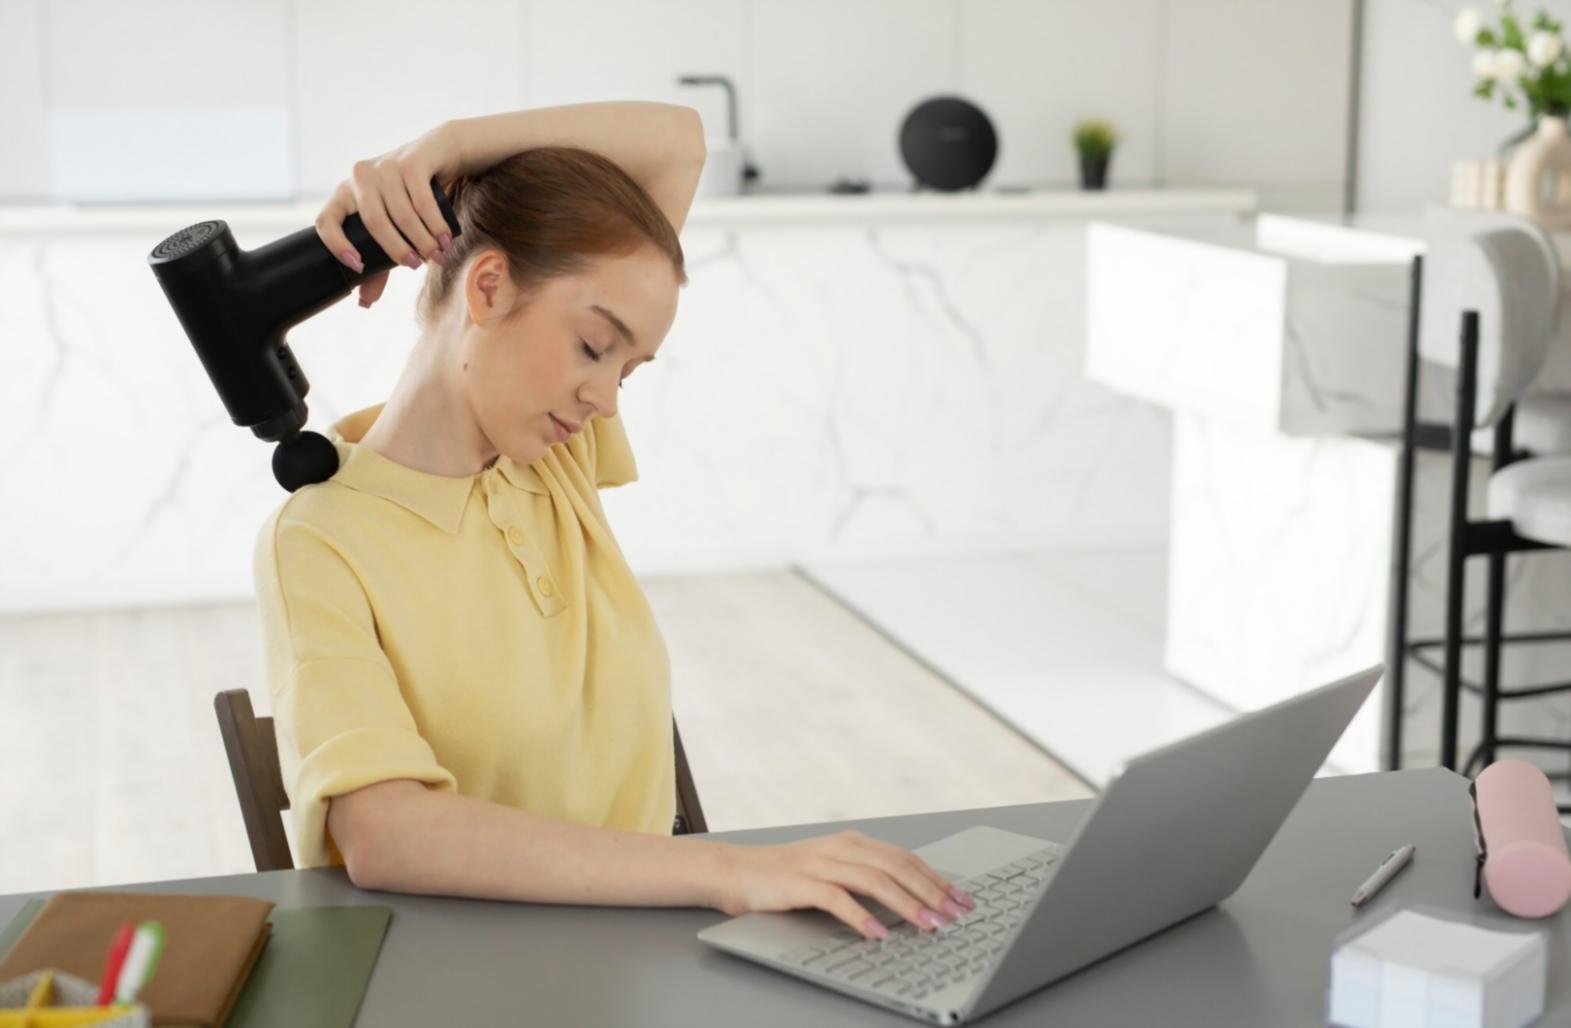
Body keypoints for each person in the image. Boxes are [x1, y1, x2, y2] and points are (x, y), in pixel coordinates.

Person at [253, 102, 975, 944]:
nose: (603, 399)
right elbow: (386, 833)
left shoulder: (546, 458)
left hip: (644, 944)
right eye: (595, 346)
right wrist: (732, 869)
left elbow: (678, 144)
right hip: (469, 974)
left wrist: (448, 146)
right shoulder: (320, 540)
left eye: (628, 371)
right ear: (486, 288)